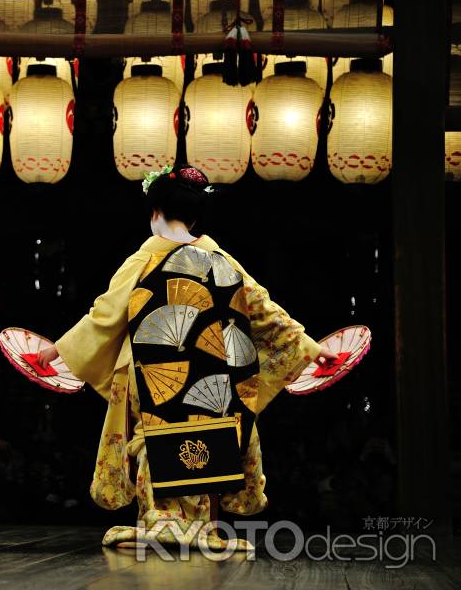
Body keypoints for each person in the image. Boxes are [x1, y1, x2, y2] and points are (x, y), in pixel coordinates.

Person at [36, 164, 338, 551]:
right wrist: (313, 349)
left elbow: (105, 315)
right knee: (209, 441)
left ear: (155, 213)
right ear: (195, 217)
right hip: (213, 377)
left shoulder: (144, 259)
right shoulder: (221, 259)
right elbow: (265, 312)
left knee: (153, 442)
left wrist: (55, 350)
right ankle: (204, 529)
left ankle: (161, 522)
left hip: (152, 374)